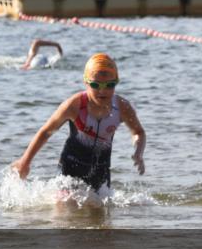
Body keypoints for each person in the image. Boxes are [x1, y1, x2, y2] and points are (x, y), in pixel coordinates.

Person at [12, 53, 146, 194]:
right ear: (86, 83)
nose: (102, 91)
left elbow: (139, 132)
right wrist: (25, 162)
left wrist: (139, 152)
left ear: (117, 82)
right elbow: (46, 132)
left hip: (101, 172)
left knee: (101, 213)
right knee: (65, 208)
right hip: (70, 168)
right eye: (95, 85)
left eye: (109, 85)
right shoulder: (74, 105)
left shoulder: (122, 107)